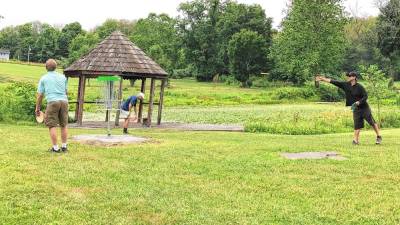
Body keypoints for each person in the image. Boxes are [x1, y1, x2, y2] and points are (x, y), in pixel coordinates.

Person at [316, 72, 382, 145]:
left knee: (371, 122)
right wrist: (322, 79)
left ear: (354, 77)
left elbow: (365, 96)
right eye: (347, 76)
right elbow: (333, 82)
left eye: (349, 76)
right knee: (357, 124)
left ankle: (378, 136)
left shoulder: (359, 87)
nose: (347, 77)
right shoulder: (345, 85)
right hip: (356, 108)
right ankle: (355, 141)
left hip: (364, 107)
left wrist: (359, 102)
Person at [35, 59, 69, 153]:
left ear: (46, 67)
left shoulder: (44, 78)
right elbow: (66, 92)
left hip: (53, 102)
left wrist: (37, 108)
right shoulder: (63, 77)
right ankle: (64, 147)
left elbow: (40, 95)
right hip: (64, 101)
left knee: (52, 125)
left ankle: (55, 148)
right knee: (64, 124)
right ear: (56, 67)